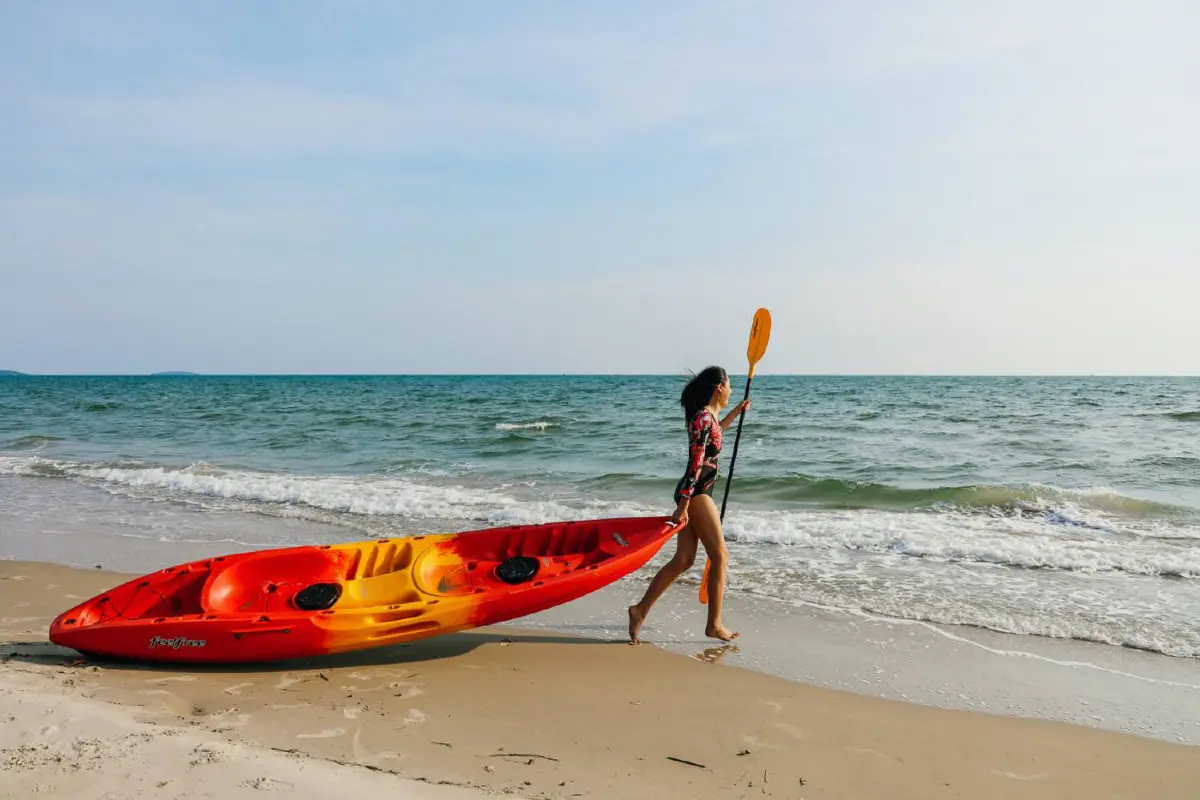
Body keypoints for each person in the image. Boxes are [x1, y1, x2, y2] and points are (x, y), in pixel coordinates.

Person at [628, 366, 749, 644]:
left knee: (684, 559)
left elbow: (716, 434)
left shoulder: (708, 418)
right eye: (730, 385)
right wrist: (684, 505)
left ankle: (639, 610)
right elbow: (695, 463)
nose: (731, 390)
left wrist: (735, 413)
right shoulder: (702, 418)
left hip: (694, 493)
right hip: (696, 494)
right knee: (720, 556)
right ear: (719, 388)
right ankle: (714, 624)